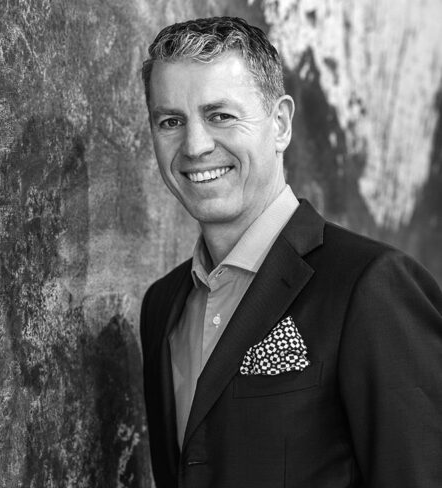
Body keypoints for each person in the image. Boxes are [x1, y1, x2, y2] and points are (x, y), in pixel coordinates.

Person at [139, 16, 442, 488]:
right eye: (171, 122)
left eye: (220, 116)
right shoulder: (161, 306)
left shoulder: (372, 285)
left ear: (280, 124)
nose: (195, 146)